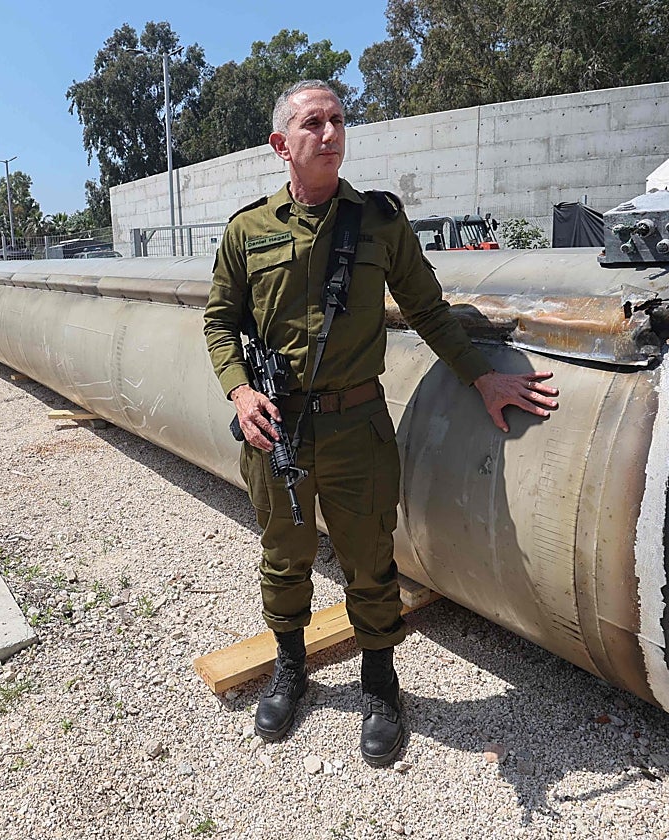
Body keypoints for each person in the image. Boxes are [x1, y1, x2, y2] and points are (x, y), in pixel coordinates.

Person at [203, 80, 559, 767]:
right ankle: (291, 666)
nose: (330, 133)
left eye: (338, 120)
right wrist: (241, 393)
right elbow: (219, 322)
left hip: (357, 427)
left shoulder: (378, 222)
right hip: (275, 427)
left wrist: (483, 377)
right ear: (282, 144)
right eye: (314, 123)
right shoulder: (247, 231)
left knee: (371, 563)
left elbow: (428, 310)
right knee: (284, 556)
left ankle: (381, 683)